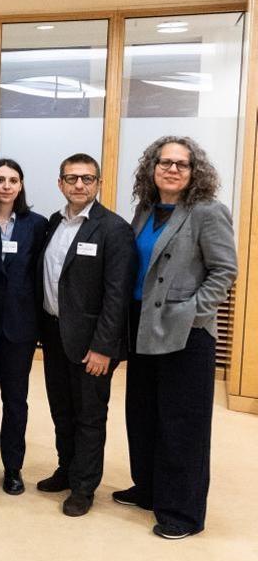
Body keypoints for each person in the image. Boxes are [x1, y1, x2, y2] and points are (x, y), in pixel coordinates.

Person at [116, 136, 237, 539]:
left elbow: (225, 271)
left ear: (194, 171)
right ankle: (149, 488)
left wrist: (193, 314)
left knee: (182, 423)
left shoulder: (207, 212)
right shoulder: (145, 210)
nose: (171, 169)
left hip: (185, 333)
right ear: (152, 169)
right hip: (143, 326)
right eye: (164, 162)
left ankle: (182, 512)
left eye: (181, 164)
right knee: (144, 413)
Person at [36, 153, 135, 517]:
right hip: (53, 333)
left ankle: (84, 486)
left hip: (91, 343)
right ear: (60, 183)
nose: (79, 185)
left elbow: (117, 295)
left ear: (99, 184)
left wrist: (103, 348)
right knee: (61, 409)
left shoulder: (113, 229)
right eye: (72, 178)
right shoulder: (52, 224)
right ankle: (67, 468)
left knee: (89, 416)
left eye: (87, 179)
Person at [0, 158, 47, 495]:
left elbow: (39, 278)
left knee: (15, 400)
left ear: (20, 186)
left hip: (19, 329)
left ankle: (12, 467)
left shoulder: (35, 225)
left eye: (12, 180)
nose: (6, 186)